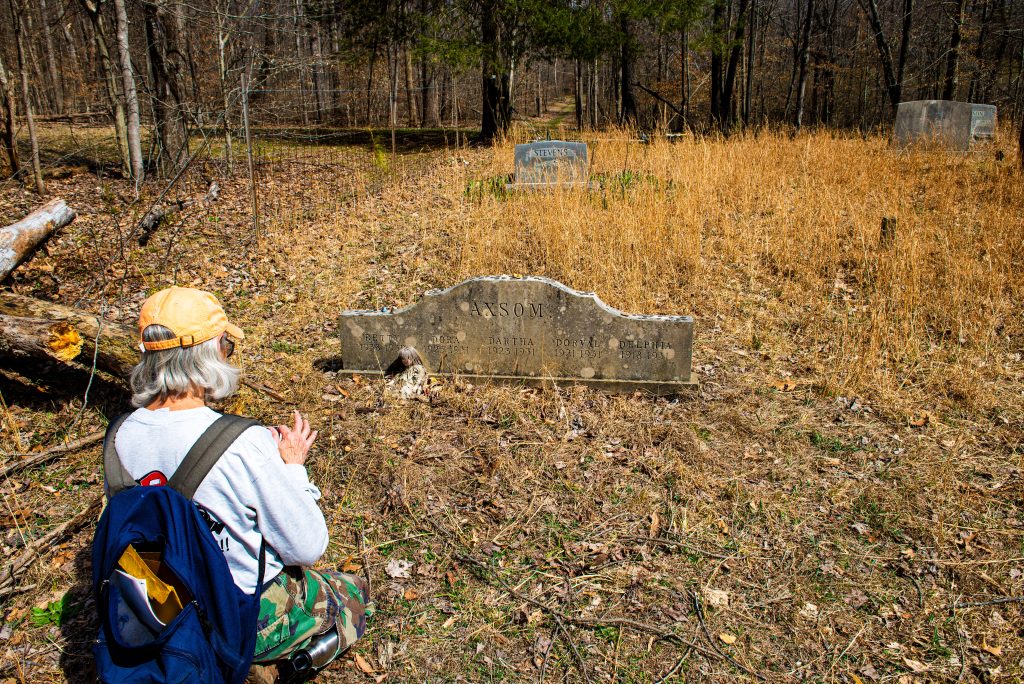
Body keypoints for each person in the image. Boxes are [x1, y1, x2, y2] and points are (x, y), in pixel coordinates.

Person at [107, 286, 372, 682]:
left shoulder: (117, 437)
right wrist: (292, 466)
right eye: (226, 345)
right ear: (212, 353)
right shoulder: (242, 443)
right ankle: (267, 663)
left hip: (159, 612)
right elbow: (307, 547)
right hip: (238, 613)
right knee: (355, 595)